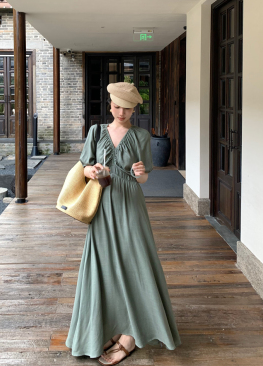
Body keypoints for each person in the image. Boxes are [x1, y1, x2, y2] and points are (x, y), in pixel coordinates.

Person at [65, 82, 181, 364]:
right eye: (116, 106)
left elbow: (143, 178)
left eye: (127, 108)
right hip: (102, 202)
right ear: (110, 105)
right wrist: (93, 171)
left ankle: (130, 333)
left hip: (130, 204)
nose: (121, 112)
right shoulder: (96, 132)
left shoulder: (141, 135)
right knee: (101, 263)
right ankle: (103, 327)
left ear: (134, 109)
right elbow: (85, 168)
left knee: (136, 261)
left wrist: (139, 172)